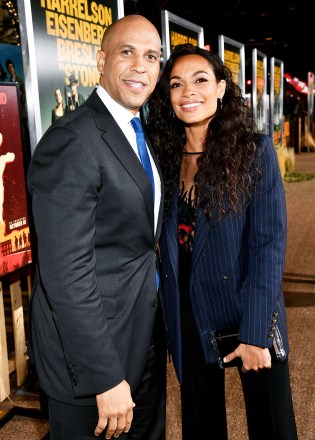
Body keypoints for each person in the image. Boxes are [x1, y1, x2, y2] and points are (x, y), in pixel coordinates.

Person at [146, 43, 298, 440]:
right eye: (176, 84)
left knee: (273, 427)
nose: (188, 92)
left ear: (221, 89)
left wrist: (254, 334)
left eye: (200, 80)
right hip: (189, 312)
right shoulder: (162, 158)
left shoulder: (254, 151)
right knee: (201, 426)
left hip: (249, 305)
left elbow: (268, 246)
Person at [27, 15, 166, 440]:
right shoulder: (72, 140)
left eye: (152, 56)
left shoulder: (138, 131)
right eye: (128, 52)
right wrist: (103, 376)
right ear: (102, 60)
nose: (141, 66)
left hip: (141, 338)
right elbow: (65, 275)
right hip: (92, 361)